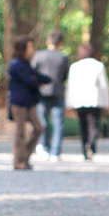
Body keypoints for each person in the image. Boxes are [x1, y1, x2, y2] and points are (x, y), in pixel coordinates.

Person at [7, 35, 51, 170]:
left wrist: (46, 79)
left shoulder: (27, 63)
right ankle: (18, 161)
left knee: (38, 128)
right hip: (19, 103)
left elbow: (37, 76)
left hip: (31, 102)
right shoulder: (16, 64)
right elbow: (29, 80)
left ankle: (24, 156)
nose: (32, 50)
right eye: (30, 47)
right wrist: (38, 81)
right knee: (20, 132)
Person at [65, 42, 109, 160]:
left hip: (79, 100)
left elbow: (71, 86)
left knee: (83, 125)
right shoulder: (98, 65)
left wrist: (69, 102)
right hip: (95, 100)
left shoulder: (74, 67)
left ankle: (85, 148)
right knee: (94, 124)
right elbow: (104, 85)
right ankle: (92, 145)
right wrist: (107, 102)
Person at [32, 30, 70, 161]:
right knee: (58, 123)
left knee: (43, 121)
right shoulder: (63, 57)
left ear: (48, 41)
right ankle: (56, 152)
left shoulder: (39, 55)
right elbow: (65, 76)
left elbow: (33, 73)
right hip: (58, 93)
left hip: (41, 93)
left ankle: (43, 146)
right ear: (60, 43)